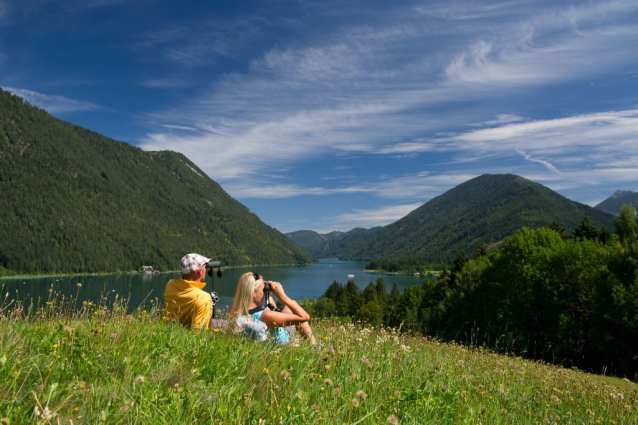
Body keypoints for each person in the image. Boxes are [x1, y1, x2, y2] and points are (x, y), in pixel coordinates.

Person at [230, 272, 317, 346]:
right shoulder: (266, 316)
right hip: (285, 340)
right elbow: (304, 317)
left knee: (270, 301)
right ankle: (314, 345)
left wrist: (267, 295)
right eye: (263, 289)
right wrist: (282, 296)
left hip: (267, 328)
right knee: (293, 305)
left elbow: (262, 312)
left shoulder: (234, 309)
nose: (264, 291)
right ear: (254, 293)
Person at [164, 253, 213, 330]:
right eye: (205, 266)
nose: (206, 269)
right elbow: (198, 334)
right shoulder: (204, 298)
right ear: (200, 271)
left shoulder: (170, 285)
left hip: (168, 332)